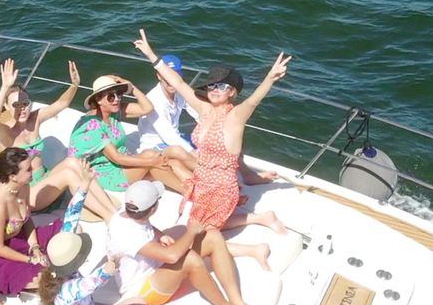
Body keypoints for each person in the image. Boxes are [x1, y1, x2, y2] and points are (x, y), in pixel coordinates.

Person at [131, 30, 290, 234]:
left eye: (222, 86)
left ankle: (261, 217)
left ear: (232, 92)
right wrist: (151, 55)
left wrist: (270, 78)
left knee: (199, 229)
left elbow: (252, 102)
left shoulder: (235, 117)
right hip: (201, 180)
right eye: (212, 86)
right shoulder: (204, 110)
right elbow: (178, 83)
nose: (214, 89)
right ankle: (251, 214)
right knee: (189, 224)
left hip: (222, 188)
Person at [108, 180, 263, 305]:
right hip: (141, 290)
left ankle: (237, 301)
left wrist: (160, 235)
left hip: (157, 268)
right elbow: (172, 257)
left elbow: (144, 226)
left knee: (213, 236)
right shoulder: (131, 235)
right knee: (190, 259)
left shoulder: (127, 212)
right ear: (153, 209)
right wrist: (192, 231)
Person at [0, 58, 118, 217]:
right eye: (15, 105)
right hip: (27, 193)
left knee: (74, 161)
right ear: (6, 106)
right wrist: (5, 87)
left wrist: (74, 84)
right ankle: (109, 216)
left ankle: (113, 210)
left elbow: (61, 104)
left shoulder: (34, 119)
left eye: (25, 103)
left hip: (44, 178)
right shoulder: (7, 132)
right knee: (69, 174)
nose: (22, 109)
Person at [0, 147, 77, 295]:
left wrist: (34, 246)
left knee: (72, 229)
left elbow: (26, 221)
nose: (33, 171)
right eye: (28, 169)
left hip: (21, 239)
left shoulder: (24, 187)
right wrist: (29, 260)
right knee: (40, 278)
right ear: (13, 176)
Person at [68, 75, 184, 194]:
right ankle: (188, 192)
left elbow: (147, 108)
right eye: (111, 96)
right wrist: (152, 162)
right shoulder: (92, 125)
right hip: (106, 173)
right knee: (154, 161)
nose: (117, 99)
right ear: (98, 100)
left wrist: (132, 88)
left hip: (120, 163)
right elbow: (117, 158)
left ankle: (193, 189)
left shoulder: (112, 111)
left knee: (167, 161)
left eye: (118, 94)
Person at [120, 53, 199, 184]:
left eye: (174, 75)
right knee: (179, 151)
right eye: (166, 76)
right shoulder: (154, 99)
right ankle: (211, 176)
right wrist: (191, 152)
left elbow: (197, 113)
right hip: (154, 145)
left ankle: (210, 178)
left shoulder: (179, 92)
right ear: (159, 76)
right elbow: (168, 135)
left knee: (203, 143)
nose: (170, 81)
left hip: (174, 138)